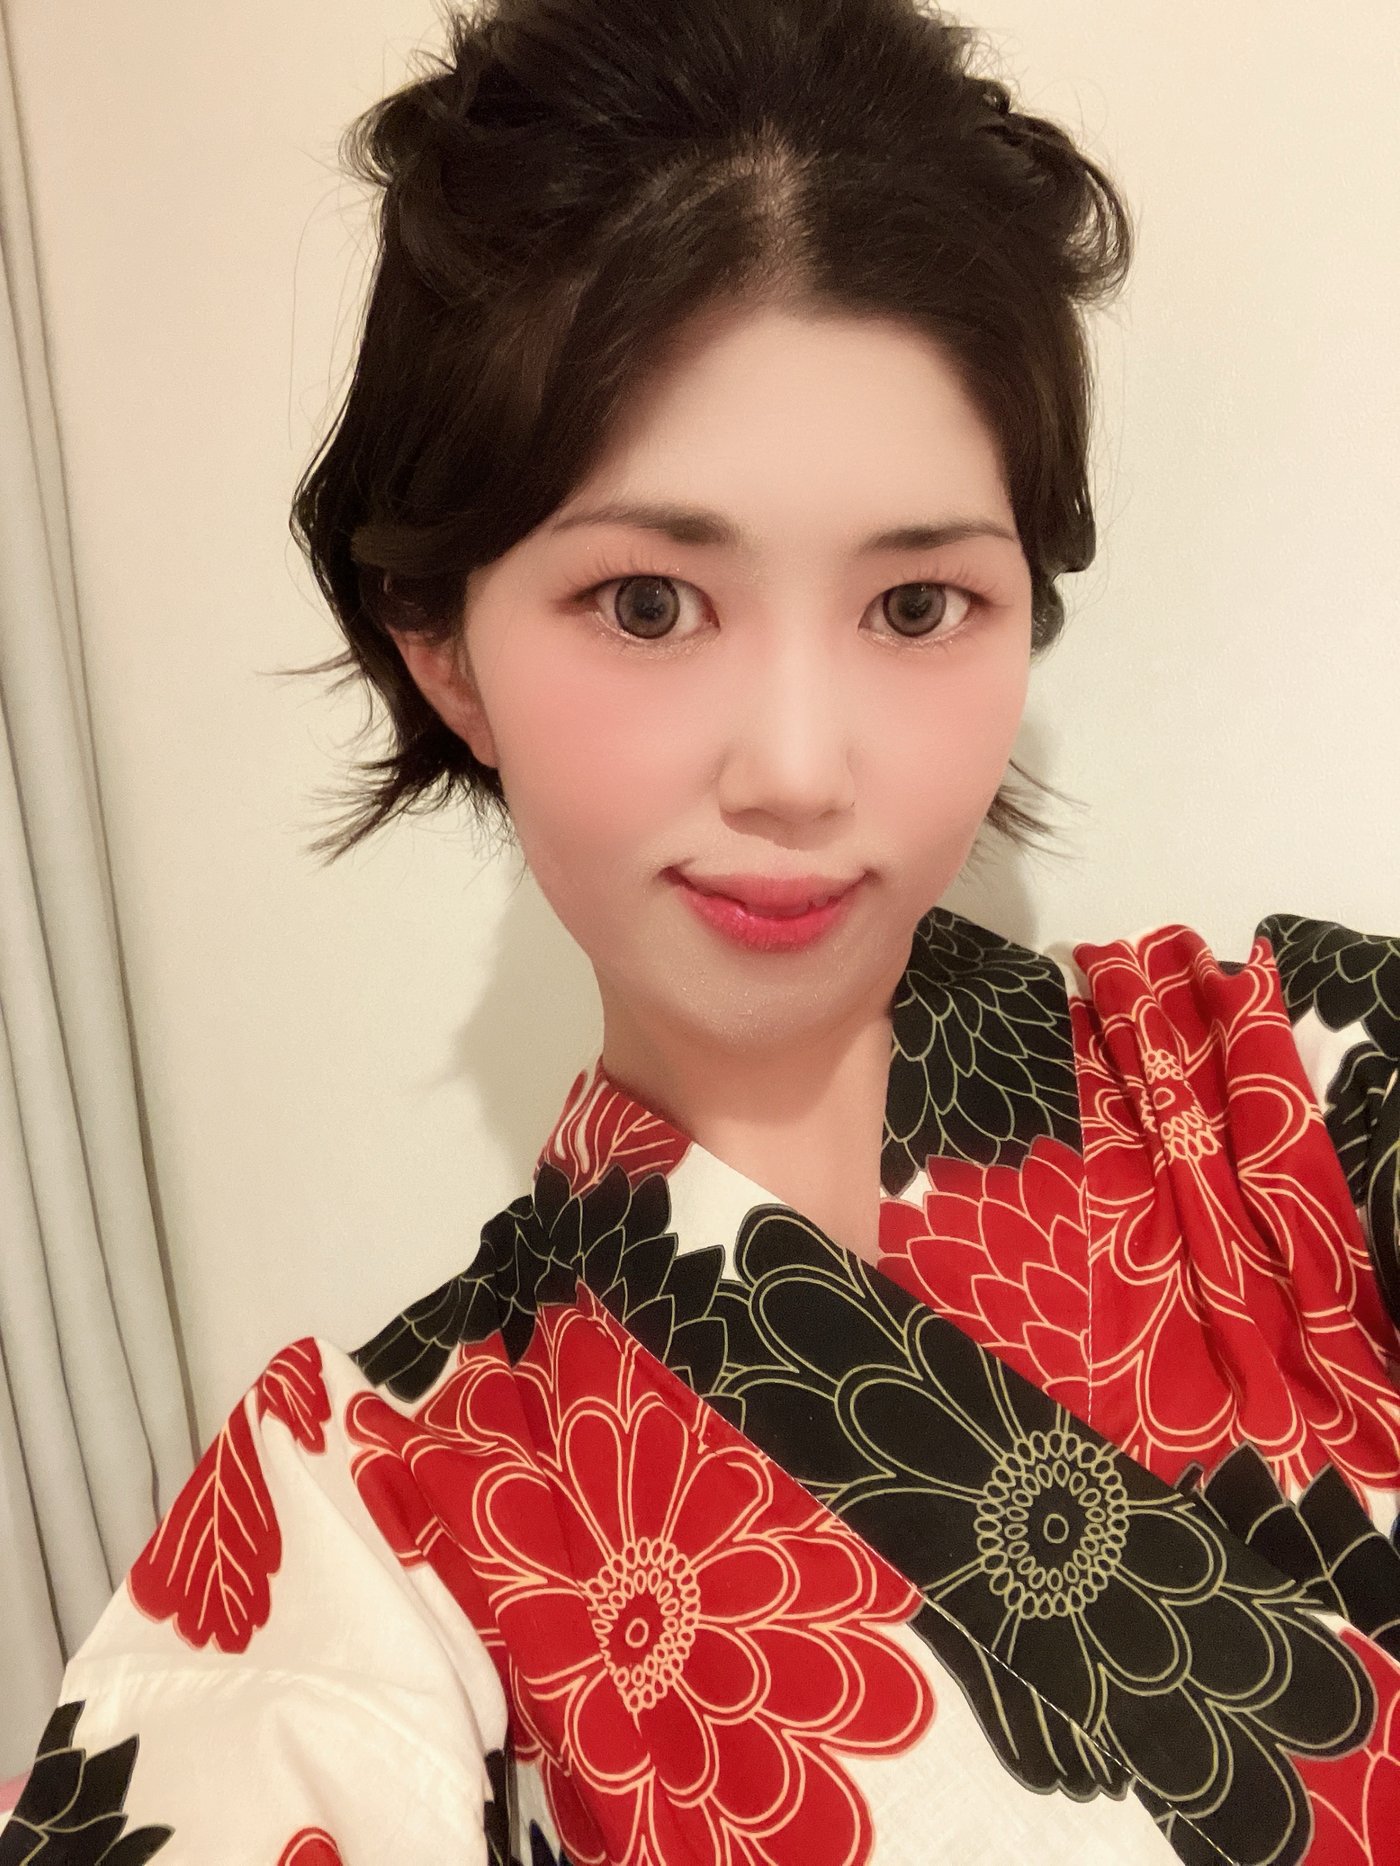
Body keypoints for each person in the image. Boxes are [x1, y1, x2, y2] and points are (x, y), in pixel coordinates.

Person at [5, 0, 1398, 1861]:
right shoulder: (365, 1528)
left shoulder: (1301, 1091)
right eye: (649, 601)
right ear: (445, 649)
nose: (801, 770)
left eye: (919, 604)